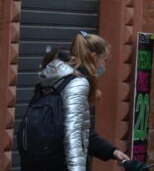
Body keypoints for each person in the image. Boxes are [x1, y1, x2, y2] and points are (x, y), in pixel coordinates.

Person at [24, 33, 131, 170]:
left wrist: (112, 152)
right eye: (105, 59)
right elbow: (73, 134)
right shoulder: (78, 83)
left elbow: (81, 131)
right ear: (94, 57)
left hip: (40, 159)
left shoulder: (54, 77)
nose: (105, 65)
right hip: (59, 162)